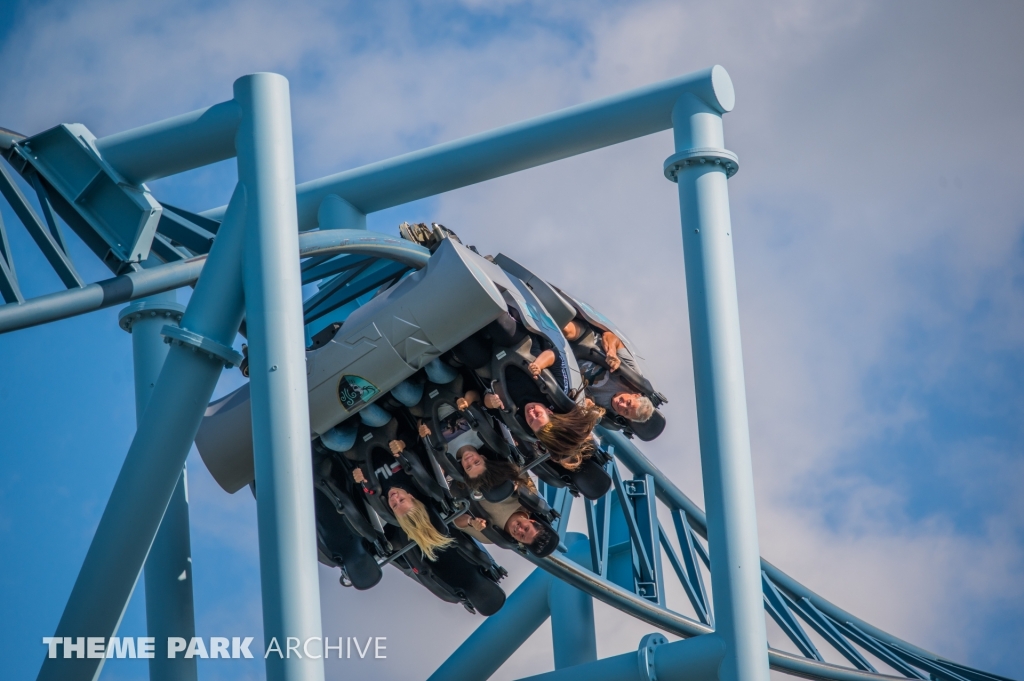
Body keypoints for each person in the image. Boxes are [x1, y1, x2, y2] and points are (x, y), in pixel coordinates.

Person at [562, 320, 655, 424]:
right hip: (585, 344)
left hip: (565, 371)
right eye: (628, 403)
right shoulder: (632, 376)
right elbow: (610, 335)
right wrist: (612, 351)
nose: (622, 405)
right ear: (636, 395)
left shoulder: (605, 412)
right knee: (566, 330)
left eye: (626, 412)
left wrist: (585, 402)